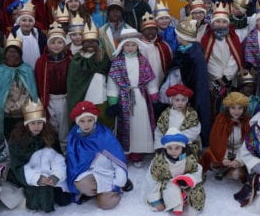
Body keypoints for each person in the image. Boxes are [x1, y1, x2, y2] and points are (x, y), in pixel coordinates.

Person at [8, 100, 71, 212]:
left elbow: (58, 159)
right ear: (27, 123)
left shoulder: (50, 135)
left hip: (49, 173)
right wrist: (37, 178)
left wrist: (56, 176)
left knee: (63, 199)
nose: (36, 127)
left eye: (39, 123)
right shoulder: (18, 139)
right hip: (30, 175)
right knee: (39, 196)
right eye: (33, 123)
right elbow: (18, 165)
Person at [107, 31, 159, 166]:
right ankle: (126, 152)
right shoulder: (117, 62)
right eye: (127, 45)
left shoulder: (143, 61)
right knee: (125, 125)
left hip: (140, 97)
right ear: (122, 47)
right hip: (124, 97)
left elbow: (150, 79)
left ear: (138, 46)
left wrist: (154, 95)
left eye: (133, 45)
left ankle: (138, 153)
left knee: (141, 126)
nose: (130, 48)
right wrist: (113, 100)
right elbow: (112, 81)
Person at [66, 101, 130, 209]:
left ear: (94, 119)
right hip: (88, 173)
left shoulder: (104, 134)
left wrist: (119, 181)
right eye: (82, 121)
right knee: (81, 184)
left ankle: (110, 191)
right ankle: (98, 192)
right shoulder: (74, 136)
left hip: (107, 173)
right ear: (77, 122)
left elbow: (118, 160)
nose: (86, 124)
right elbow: (73, 161)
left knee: (105, 205)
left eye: (89, 120)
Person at [146, 128, 205, 216]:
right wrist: (156, 200)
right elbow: (152, 180)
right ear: (165, 148)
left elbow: (197, 170)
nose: (173, 151)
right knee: (172, 190)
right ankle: (174, 202)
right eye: (170, 148)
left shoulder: (189, 158)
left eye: (177, 148)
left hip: (185, 184)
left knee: (197, 195)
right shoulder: (159, 162)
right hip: (168, 184)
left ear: (182, 147)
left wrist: (188, 179)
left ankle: (186, 200)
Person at [171, 18, 212, 145]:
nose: (177, 38)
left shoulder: (195, 55)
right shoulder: (184, 50)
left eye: (178, 36)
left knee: (199, 111)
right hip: (187, 88)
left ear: (183, 38)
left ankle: (202, 140)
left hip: (196, 90)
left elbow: (199, 77)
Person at [0, 34, 39, 138]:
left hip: (23, 113)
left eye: (15, 52)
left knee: (23, 137)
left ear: (20, 54)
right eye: (9, 51)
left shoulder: (27, 69)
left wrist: (19, 105)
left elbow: (31, 91)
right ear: (5, 54)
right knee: (8, 137)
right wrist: (9, 107)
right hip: (6, 114)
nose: (12, 54)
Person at [201, 3, 244, 121]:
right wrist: (217, 77)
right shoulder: (207, 38)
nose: (221, 24)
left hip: (229, 79)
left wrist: (226, 77)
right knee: (214, 106)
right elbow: (207, 59)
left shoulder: (233, 37)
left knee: (230, 105)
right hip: (213, 80)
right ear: (212, 23)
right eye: (217, 21)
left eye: (224, 22)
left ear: (228, 23)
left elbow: (235, 58)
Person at [66, 22, 113, 129]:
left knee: (103, 124)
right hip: (83, 99)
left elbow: (110, 77)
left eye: (94, 42)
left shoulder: (103, 57)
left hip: (101, 97)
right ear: (82, 43)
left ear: (98, 43)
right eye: (87, 42)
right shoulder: (78, 59)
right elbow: (73, 82)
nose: (90, 44)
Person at [35, 22, 72, 152]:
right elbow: (39, 80)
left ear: (64, 44)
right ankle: (51, 150)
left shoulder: (70, 59)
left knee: (64, 127)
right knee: (51, 125)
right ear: (48, 44)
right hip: (49, 99)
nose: (56, 45)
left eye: (59, 42)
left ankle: (65, 150)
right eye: (53, 42)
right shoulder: (42, 61)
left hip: (65, 98)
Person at [199, 91, 250, 181]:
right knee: (210, 160)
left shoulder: (247, 121)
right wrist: (224, 158)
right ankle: (225, 167)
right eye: (233, 108)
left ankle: (233, 169)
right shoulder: (221, 119)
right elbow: (216, 141)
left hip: (240, 152)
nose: (237, 111)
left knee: (236, 175)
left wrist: (238, 160)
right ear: (228, 108)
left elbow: (248, 144)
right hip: (224, 151)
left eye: (240, 108)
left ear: (244, 108)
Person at [155, 84, 201, 155]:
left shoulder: (191, 114)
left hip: (186, 145)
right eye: (177, 100)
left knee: (186, 160)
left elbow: (194, 130)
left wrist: (178, 140)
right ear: (171, 100)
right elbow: (159, 131)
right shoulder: (165, 114)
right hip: (168, 145)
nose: (180, 103)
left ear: (187, 101)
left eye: (183, 100)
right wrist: (161, 145)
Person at [139, 12, 172, 87]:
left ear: (157, 31)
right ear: (142, 31)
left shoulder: (164, 46)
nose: (150, 31)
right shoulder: (138, 46)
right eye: (147, 29)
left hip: (161, 82)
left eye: (153, 29)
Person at [11, 2, 46, 70]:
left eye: (30, 21)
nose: (27, 23)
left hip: (37, 68)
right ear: (19, 22)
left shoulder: (39, 35)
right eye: (24, 20)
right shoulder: (14, 35)